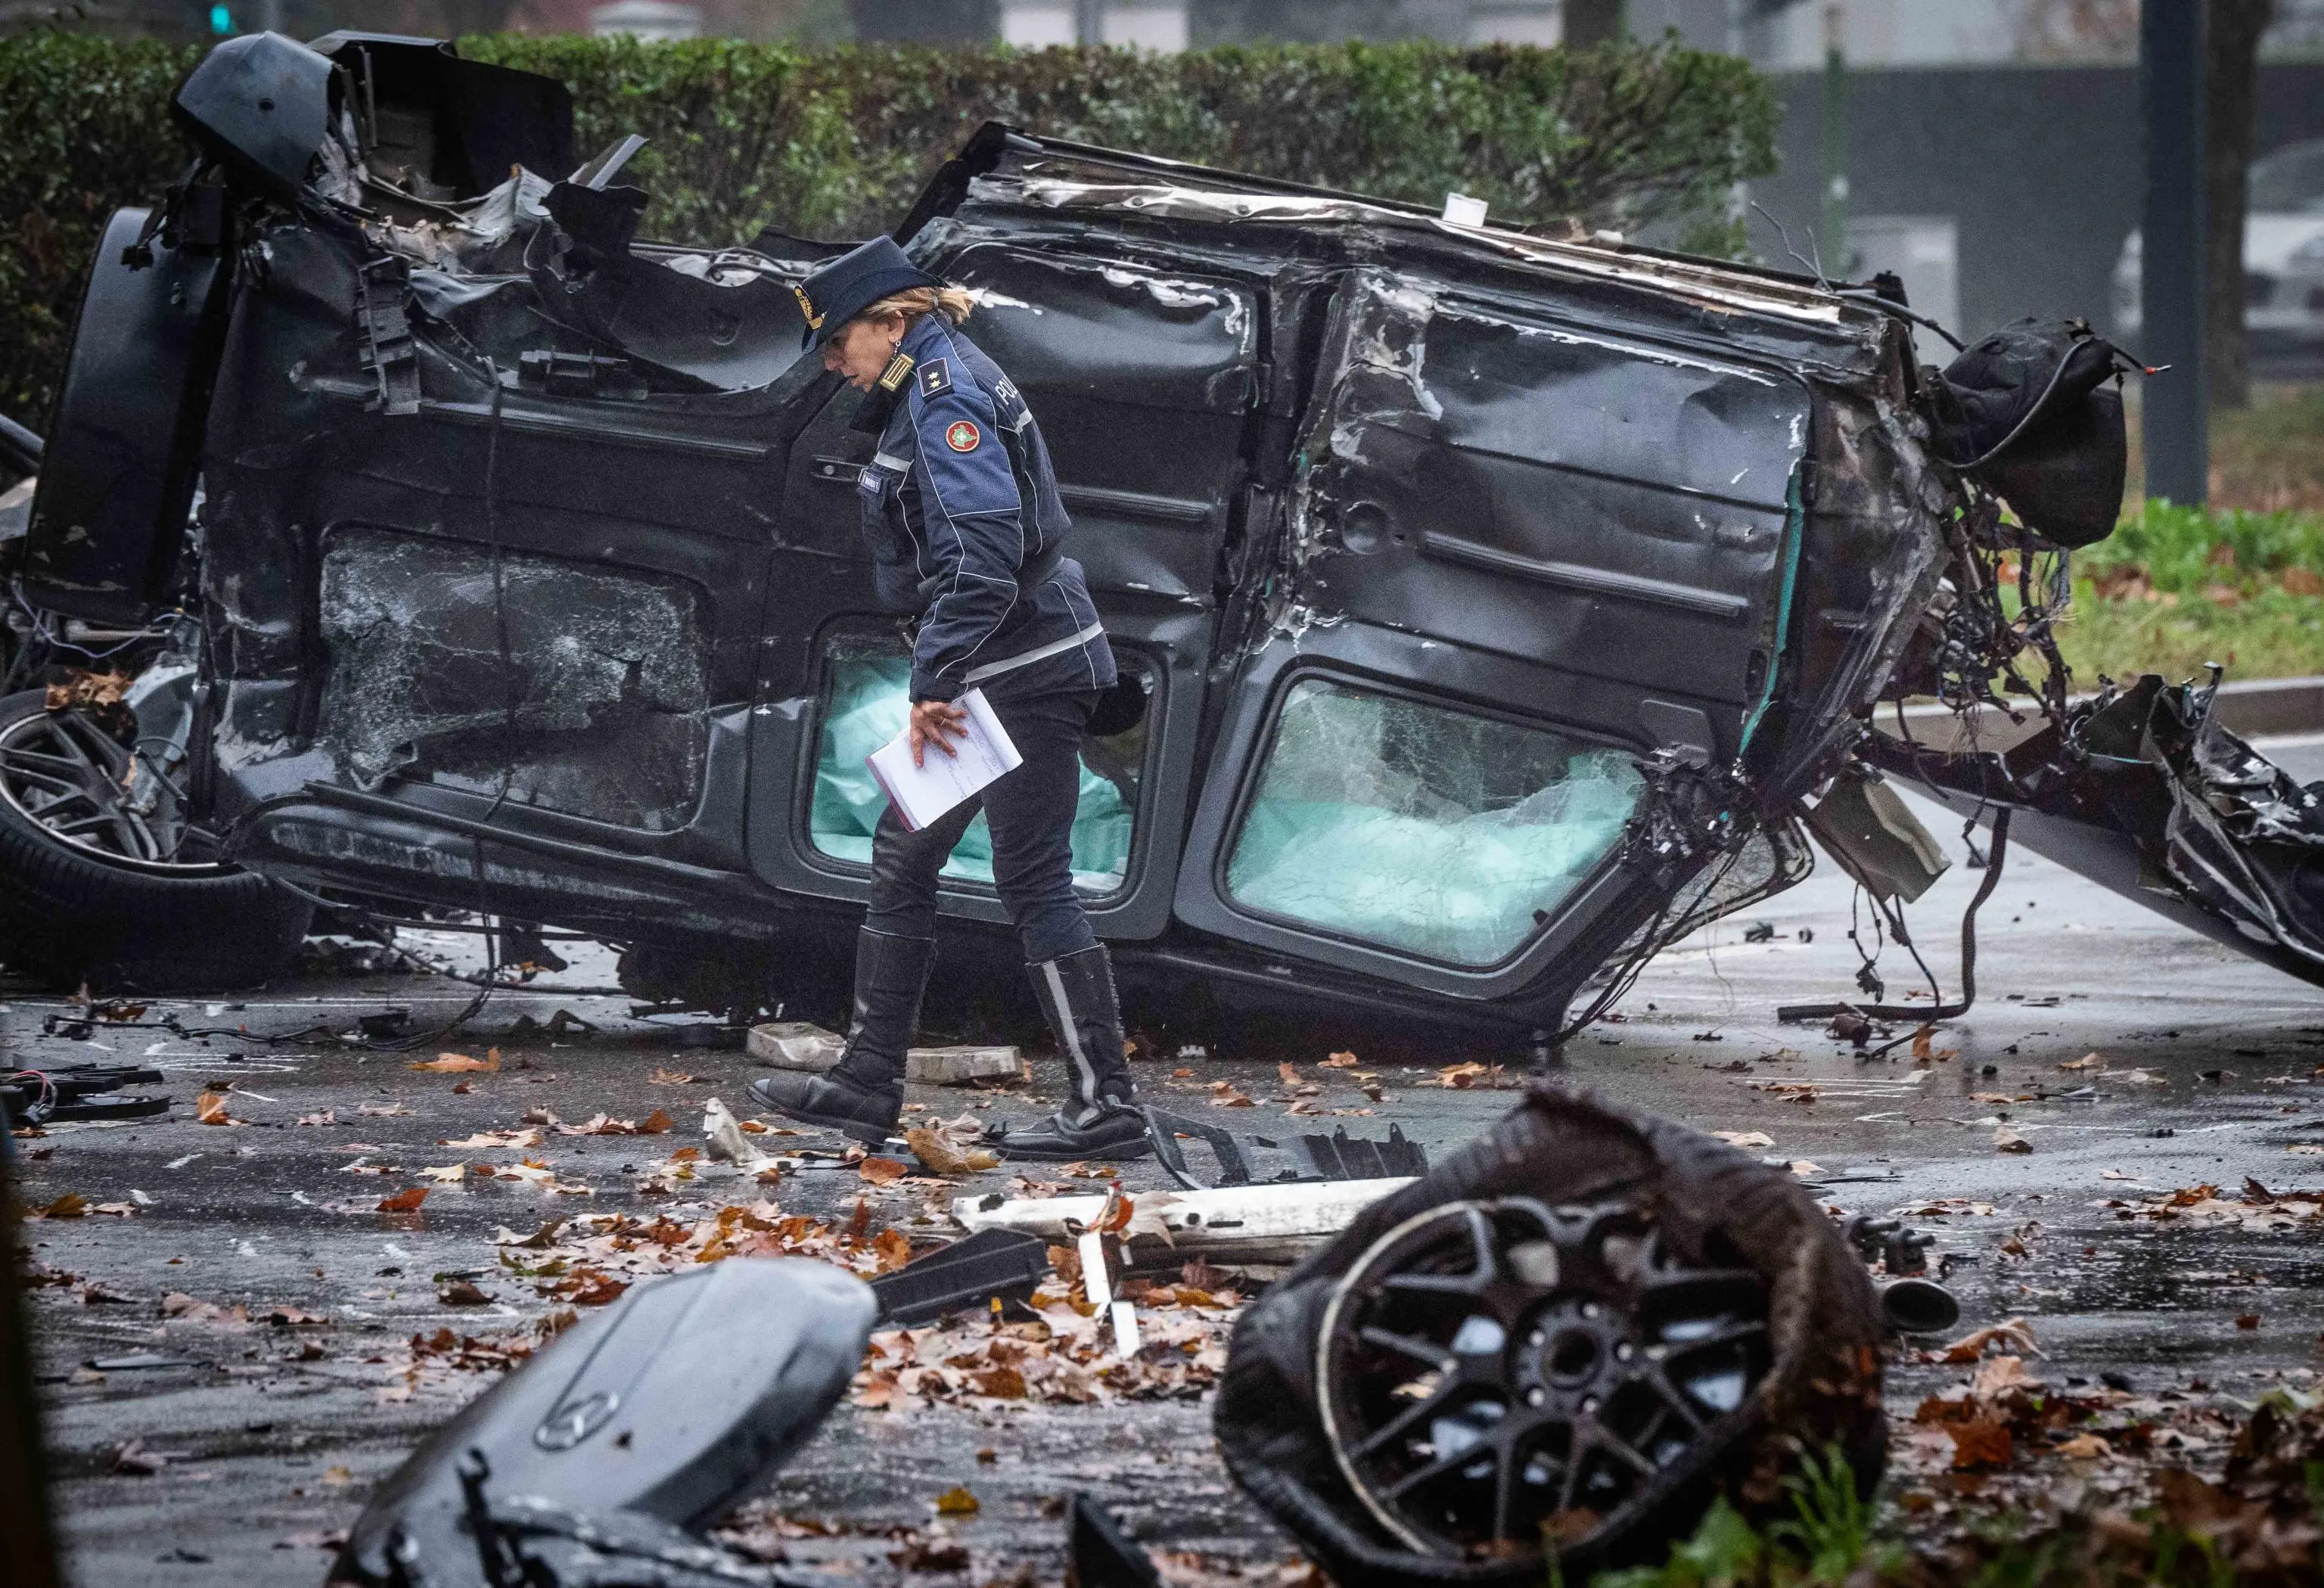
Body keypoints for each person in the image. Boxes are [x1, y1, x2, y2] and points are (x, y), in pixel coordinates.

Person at [750, 237, 1150, 1161]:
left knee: (1029, 874)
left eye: (840, 341)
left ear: (893, 322)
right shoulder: (927, 382)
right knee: (907, 851)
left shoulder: (945, 399)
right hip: (1003, 666)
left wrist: (933, 682)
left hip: (1020, 668)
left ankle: (1104, 1103)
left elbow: (985, 555)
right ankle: (867, 1082)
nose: (833, 362)